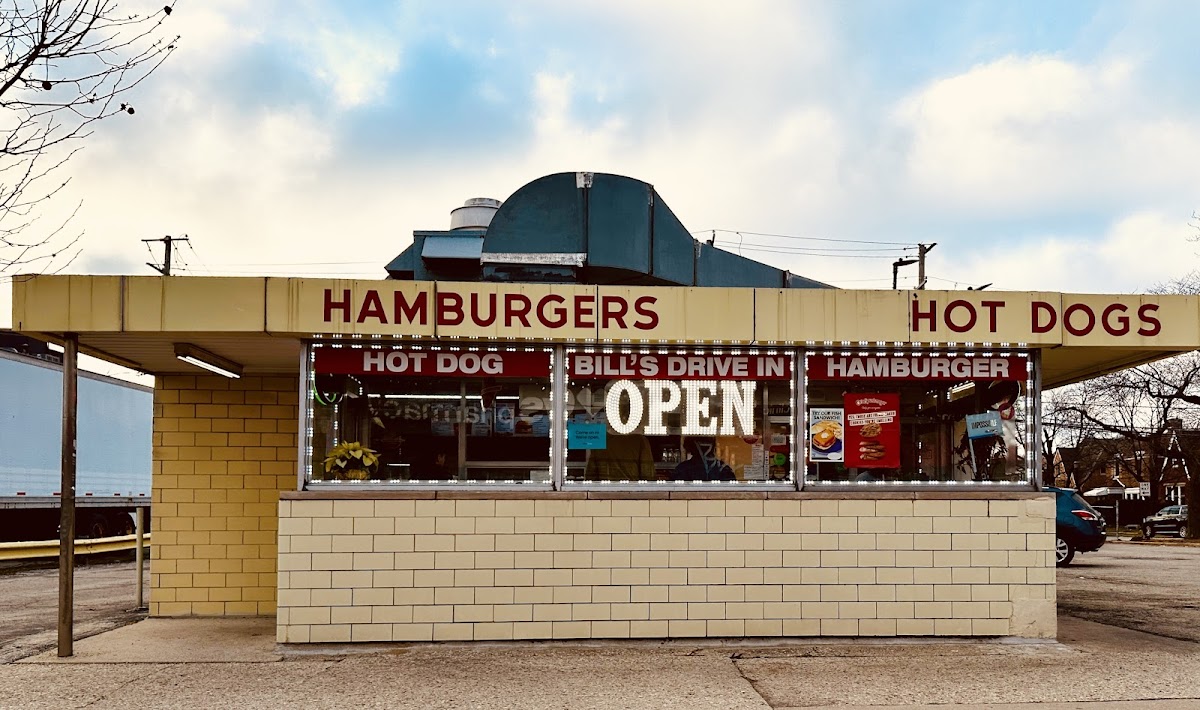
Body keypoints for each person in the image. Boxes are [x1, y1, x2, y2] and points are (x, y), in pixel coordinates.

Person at [584, 433, 656, 481]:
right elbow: (648, 474)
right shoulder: (640, 440)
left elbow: (591, 476)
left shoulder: (601, 440)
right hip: (632, 494)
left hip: (605, 494)